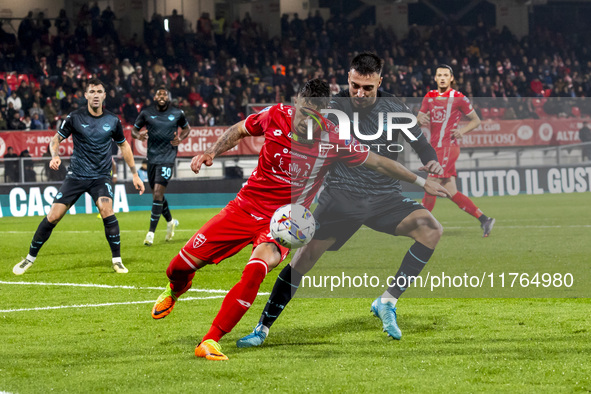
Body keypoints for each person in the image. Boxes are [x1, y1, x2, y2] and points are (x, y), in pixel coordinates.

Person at [150, 78, 449, 361]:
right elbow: (240, 129)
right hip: (243, 207)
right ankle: (177, 287)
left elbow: (379, 161)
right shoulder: (275, 115)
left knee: (256, 270)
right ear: (297, 102)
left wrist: (422, 183)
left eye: (317, 115)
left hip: (283, 222)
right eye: (305, 112)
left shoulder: (333, 138)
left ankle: (211, 339)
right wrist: (211, 151)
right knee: (177, 267)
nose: (309, 121)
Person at [237, 53, 446, 348]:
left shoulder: (396, 109)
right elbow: (300, 139)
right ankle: (262, 328)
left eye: (367, 88)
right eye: (355, 85)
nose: (359, 93)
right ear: (348, 79)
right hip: (341, 198)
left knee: (431, 229)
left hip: (386, 197)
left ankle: (386, 301)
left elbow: (422, 146)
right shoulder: (331, 108)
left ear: (379, 82)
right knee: (303, 261)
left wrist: (432, 163)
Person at [12, 78, 145, 276]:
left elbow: (124, 145)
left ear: (104, 95)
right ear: (86, 95)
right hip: (76, 176)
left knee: (107, 210)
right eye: (92, 91)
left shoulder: (113, 120)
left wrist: (135, 174)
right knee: (53, 216)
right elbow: (55, 139)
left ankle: (117, 260)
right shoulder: (74, 117)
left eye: (99, 91)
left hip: (100, 176)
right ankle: (29, 258)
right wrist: (55, 155)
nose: (96, 95)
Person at [417, 64, 495, 237]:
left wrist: (461, 131)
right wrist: (419, 119)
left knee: (431, 183)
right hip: (435, 147)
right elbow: (419, 119)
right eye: (440, 75)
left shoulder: (459, 98)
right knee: (451, 191)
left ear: (451, 78)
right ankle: (484, 219)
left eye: (446, 75)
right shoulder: (429, 97)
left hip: (448, 148)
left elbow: (476, 121)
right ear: (435, 78)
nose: (443, 78)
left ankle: (423, 225)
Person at [132, 87, 190, 246]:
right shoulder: (146, 113)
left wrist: (181, 137)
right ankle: (170, 221)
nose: (162, 96)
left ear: (168, 97)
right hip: (152, 158)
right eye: (159, 94)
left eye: (165, 94)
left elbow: (187, 129)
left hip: (168, 157)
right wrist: (139, 135)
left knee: (158, 193)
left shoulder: (178, 113)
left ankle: (150, 234)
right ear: (155, 97)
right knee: (157, 195)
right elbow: (133, 131)